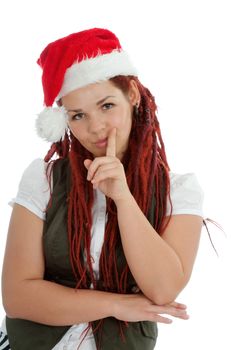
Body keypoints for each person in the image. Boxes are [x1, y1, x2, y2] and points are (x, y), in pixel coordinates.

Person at [0, 28, 204, 350]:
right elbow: (17, 296)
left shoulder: (178, 192)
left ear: (133, 95)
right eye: (78, 115)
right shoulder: (44, 179)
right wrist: (117, 305)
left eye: (107, 105)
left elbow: (163, 288)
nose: (94, 128)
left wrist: (123, 198)